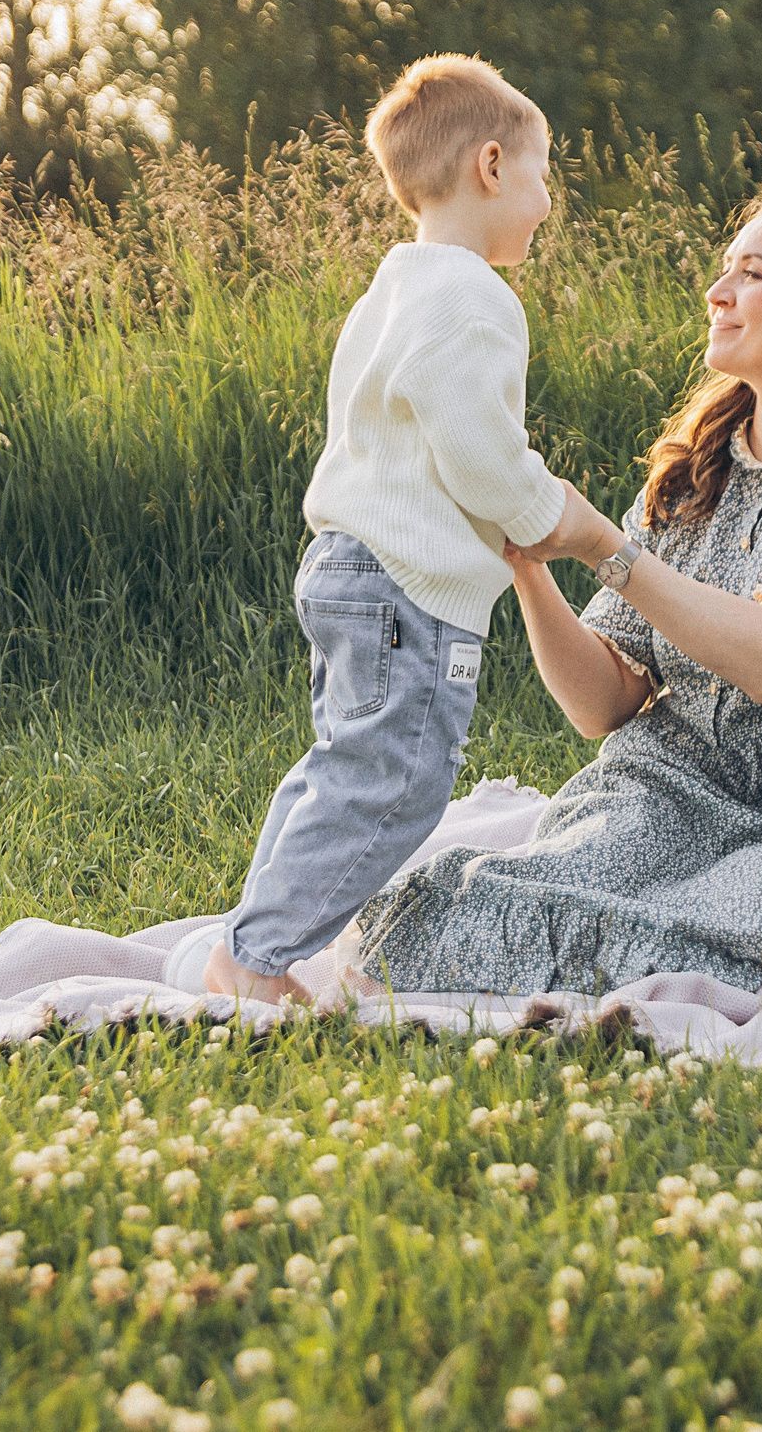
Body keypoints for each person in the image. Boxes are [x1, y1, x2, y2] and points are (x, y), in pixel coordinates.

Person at [349, 197, 762, 997]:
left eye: (751, 274)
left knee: (716, 921)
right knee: (491, 893)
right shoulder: (698, 470)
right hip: (658, 789)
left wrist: (606, 550)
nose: (717, 292)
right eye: (725, 269)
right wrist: (527, 560)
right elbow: (603, 705)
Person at [170, 54, 623, 1002]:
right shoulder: (474, 297)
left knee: (342, 765)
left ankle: (254, 940)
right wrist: (550, 515)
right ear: (491, 167)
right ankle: (252, 961)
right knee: (400, 780)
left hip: (346, 566)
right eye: (544, 175)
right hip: (407, 587)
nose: (548, 200)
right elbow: (478, 450)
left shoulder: (390, 293)